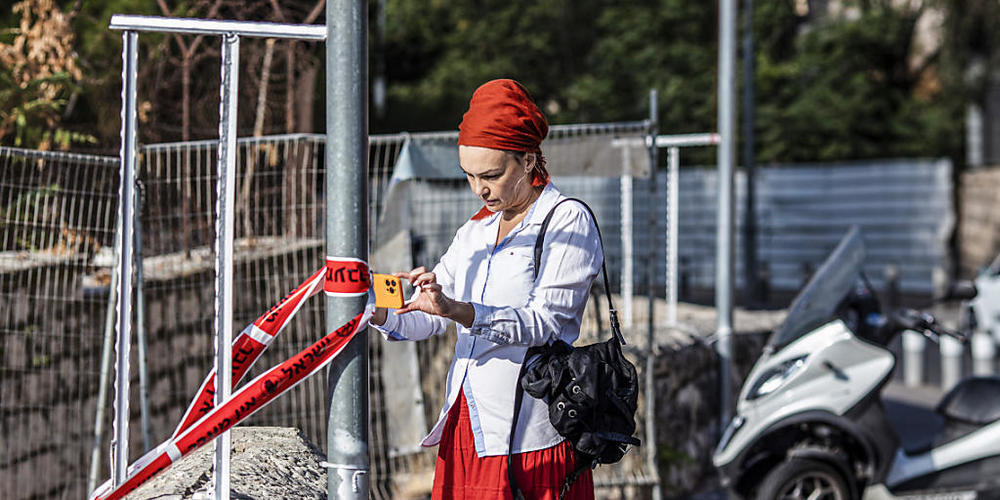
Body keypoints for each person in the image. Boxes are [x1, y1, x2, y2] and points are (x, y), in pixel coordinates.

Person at [371, 79, 601, 500]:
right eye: (469, 176)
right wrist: (373, 301)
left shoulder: (567, 220)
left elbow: (545, 322)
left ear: (528, 160)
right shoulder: (475, 230)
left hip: (529, 437)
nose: (480, 189)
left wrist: (460, 310)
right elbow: (427, 316)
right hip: (468, 427)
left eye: (492, 175)